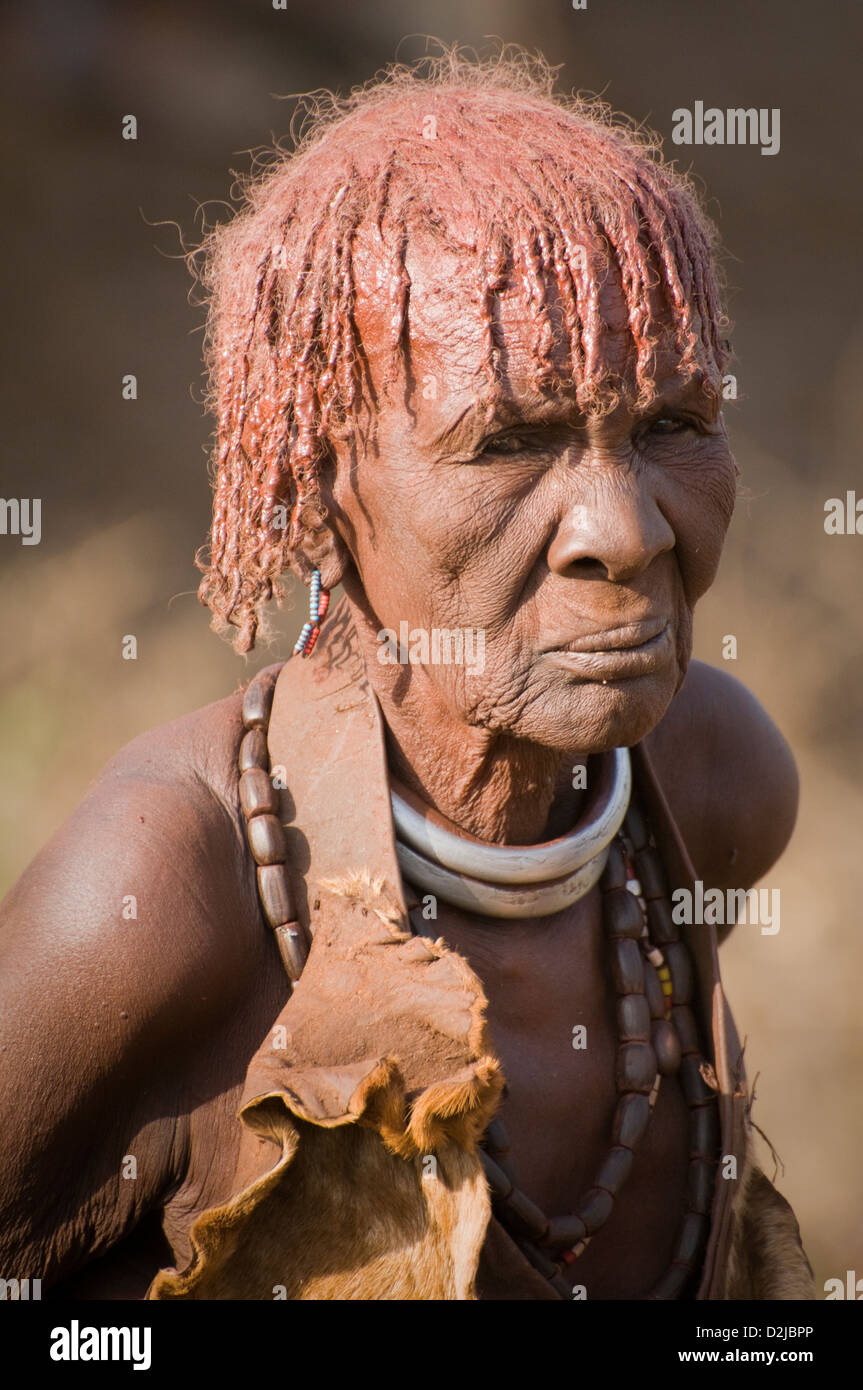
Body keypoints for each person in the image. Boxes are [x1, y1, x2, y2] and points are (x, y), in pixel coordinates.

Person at [0, 50, 814, 1300]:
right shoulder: (164, 895)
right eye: (505, 442)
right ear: (315, 501)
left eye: (672, 426)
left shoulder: (714, 785)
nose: (627, 530)